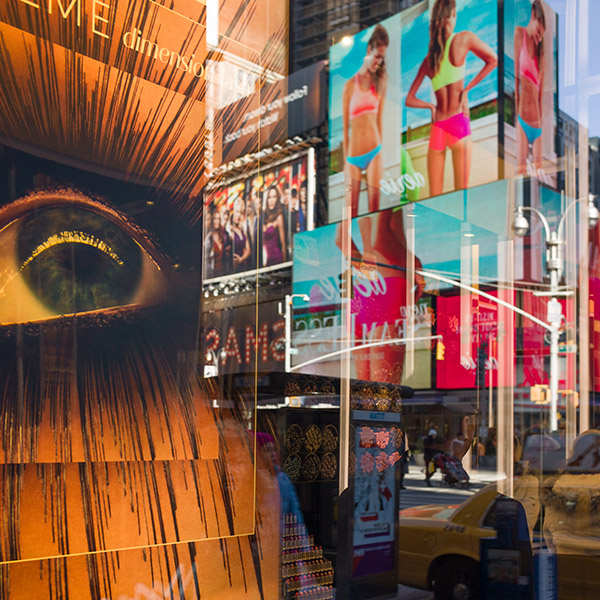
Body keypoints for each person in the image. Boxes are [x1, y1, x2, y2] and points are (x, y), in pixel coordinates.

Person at [405, 0, 497, 196]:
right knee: (461, 195)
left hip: (438, 127)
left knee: (435, 200)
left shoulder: (429, 59)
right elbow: (493, 60)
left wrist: (431, 107)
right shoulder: (464, 39)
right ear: (453, 14)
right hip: (458, 122)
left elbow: (409, 99)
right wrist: (467, 90)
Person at [339, 23, 389, 259]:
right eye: (377, 55)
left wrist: (383, 151)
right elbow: (345, 128)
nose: (379, 61)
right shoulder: (349, 86)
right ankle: (361, 265)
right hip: (353, 156)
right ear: (369, 49)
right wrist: (346, 162)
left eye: (383, 57)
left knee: (375, 211)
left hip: (375, 150)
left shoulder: (382, 82)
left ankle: (372, 259)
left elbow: (379, 120)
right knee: (351, 214)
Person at [514, 0, 546, 175]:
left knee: (539, 174)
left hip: (538, 125)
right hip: (523, 120)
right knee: (521, 171)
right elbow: (516, 82)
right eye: (539, 32)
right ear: (533, 17)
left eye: (542, 36)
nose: (539, 38)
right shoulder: (520, 34)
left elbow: (540, 96)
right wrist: (517, 116)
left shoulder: (542, 57)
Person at [262, 185, 287, 266]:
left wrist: (284, 264)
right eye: (269, 197)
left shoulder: (279, 217)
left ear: (277, 199)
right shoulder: (264, 217)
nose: (271, 200)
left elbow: (283, 243)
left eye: (274, 197)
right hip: (266, 260)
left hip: (277, 258)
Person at [232, 196, 251, 273]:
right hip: (232, 268)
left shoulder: (242, 230)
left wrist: (241, 259)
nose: (238, 215)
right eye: (236, 212)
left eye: (240, 212)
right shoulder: (229, 230)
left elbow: (249, 250)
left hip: (243, 266)